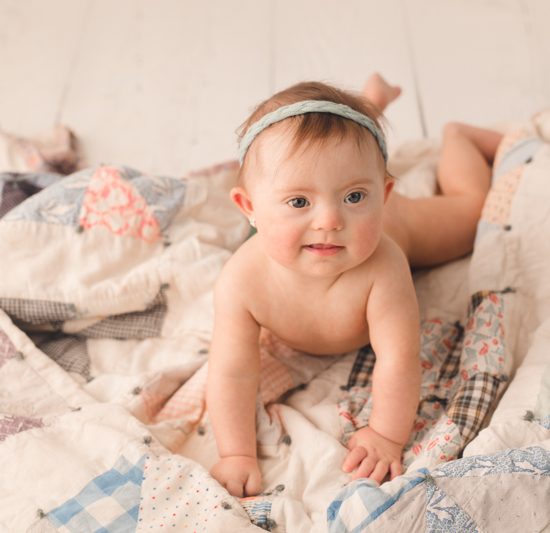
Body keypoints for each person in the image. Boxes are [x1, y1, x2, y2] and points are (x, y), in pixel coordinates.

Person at [206, 74, 503, 497]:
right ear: (249, 208)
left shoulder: (384, 265)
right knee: (337, 155)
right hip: (319, 205)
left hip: (403, 226)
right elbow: (232, 373)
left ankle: (459, 136)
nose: (330, 220)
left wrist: (384, 433)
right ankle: (372, 103)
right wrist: (236, 453)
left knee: (474, 211)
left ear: (383, 193)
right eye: (298, 202)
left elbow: (399, 358)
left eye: (355, 197)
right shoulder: (241, 282)